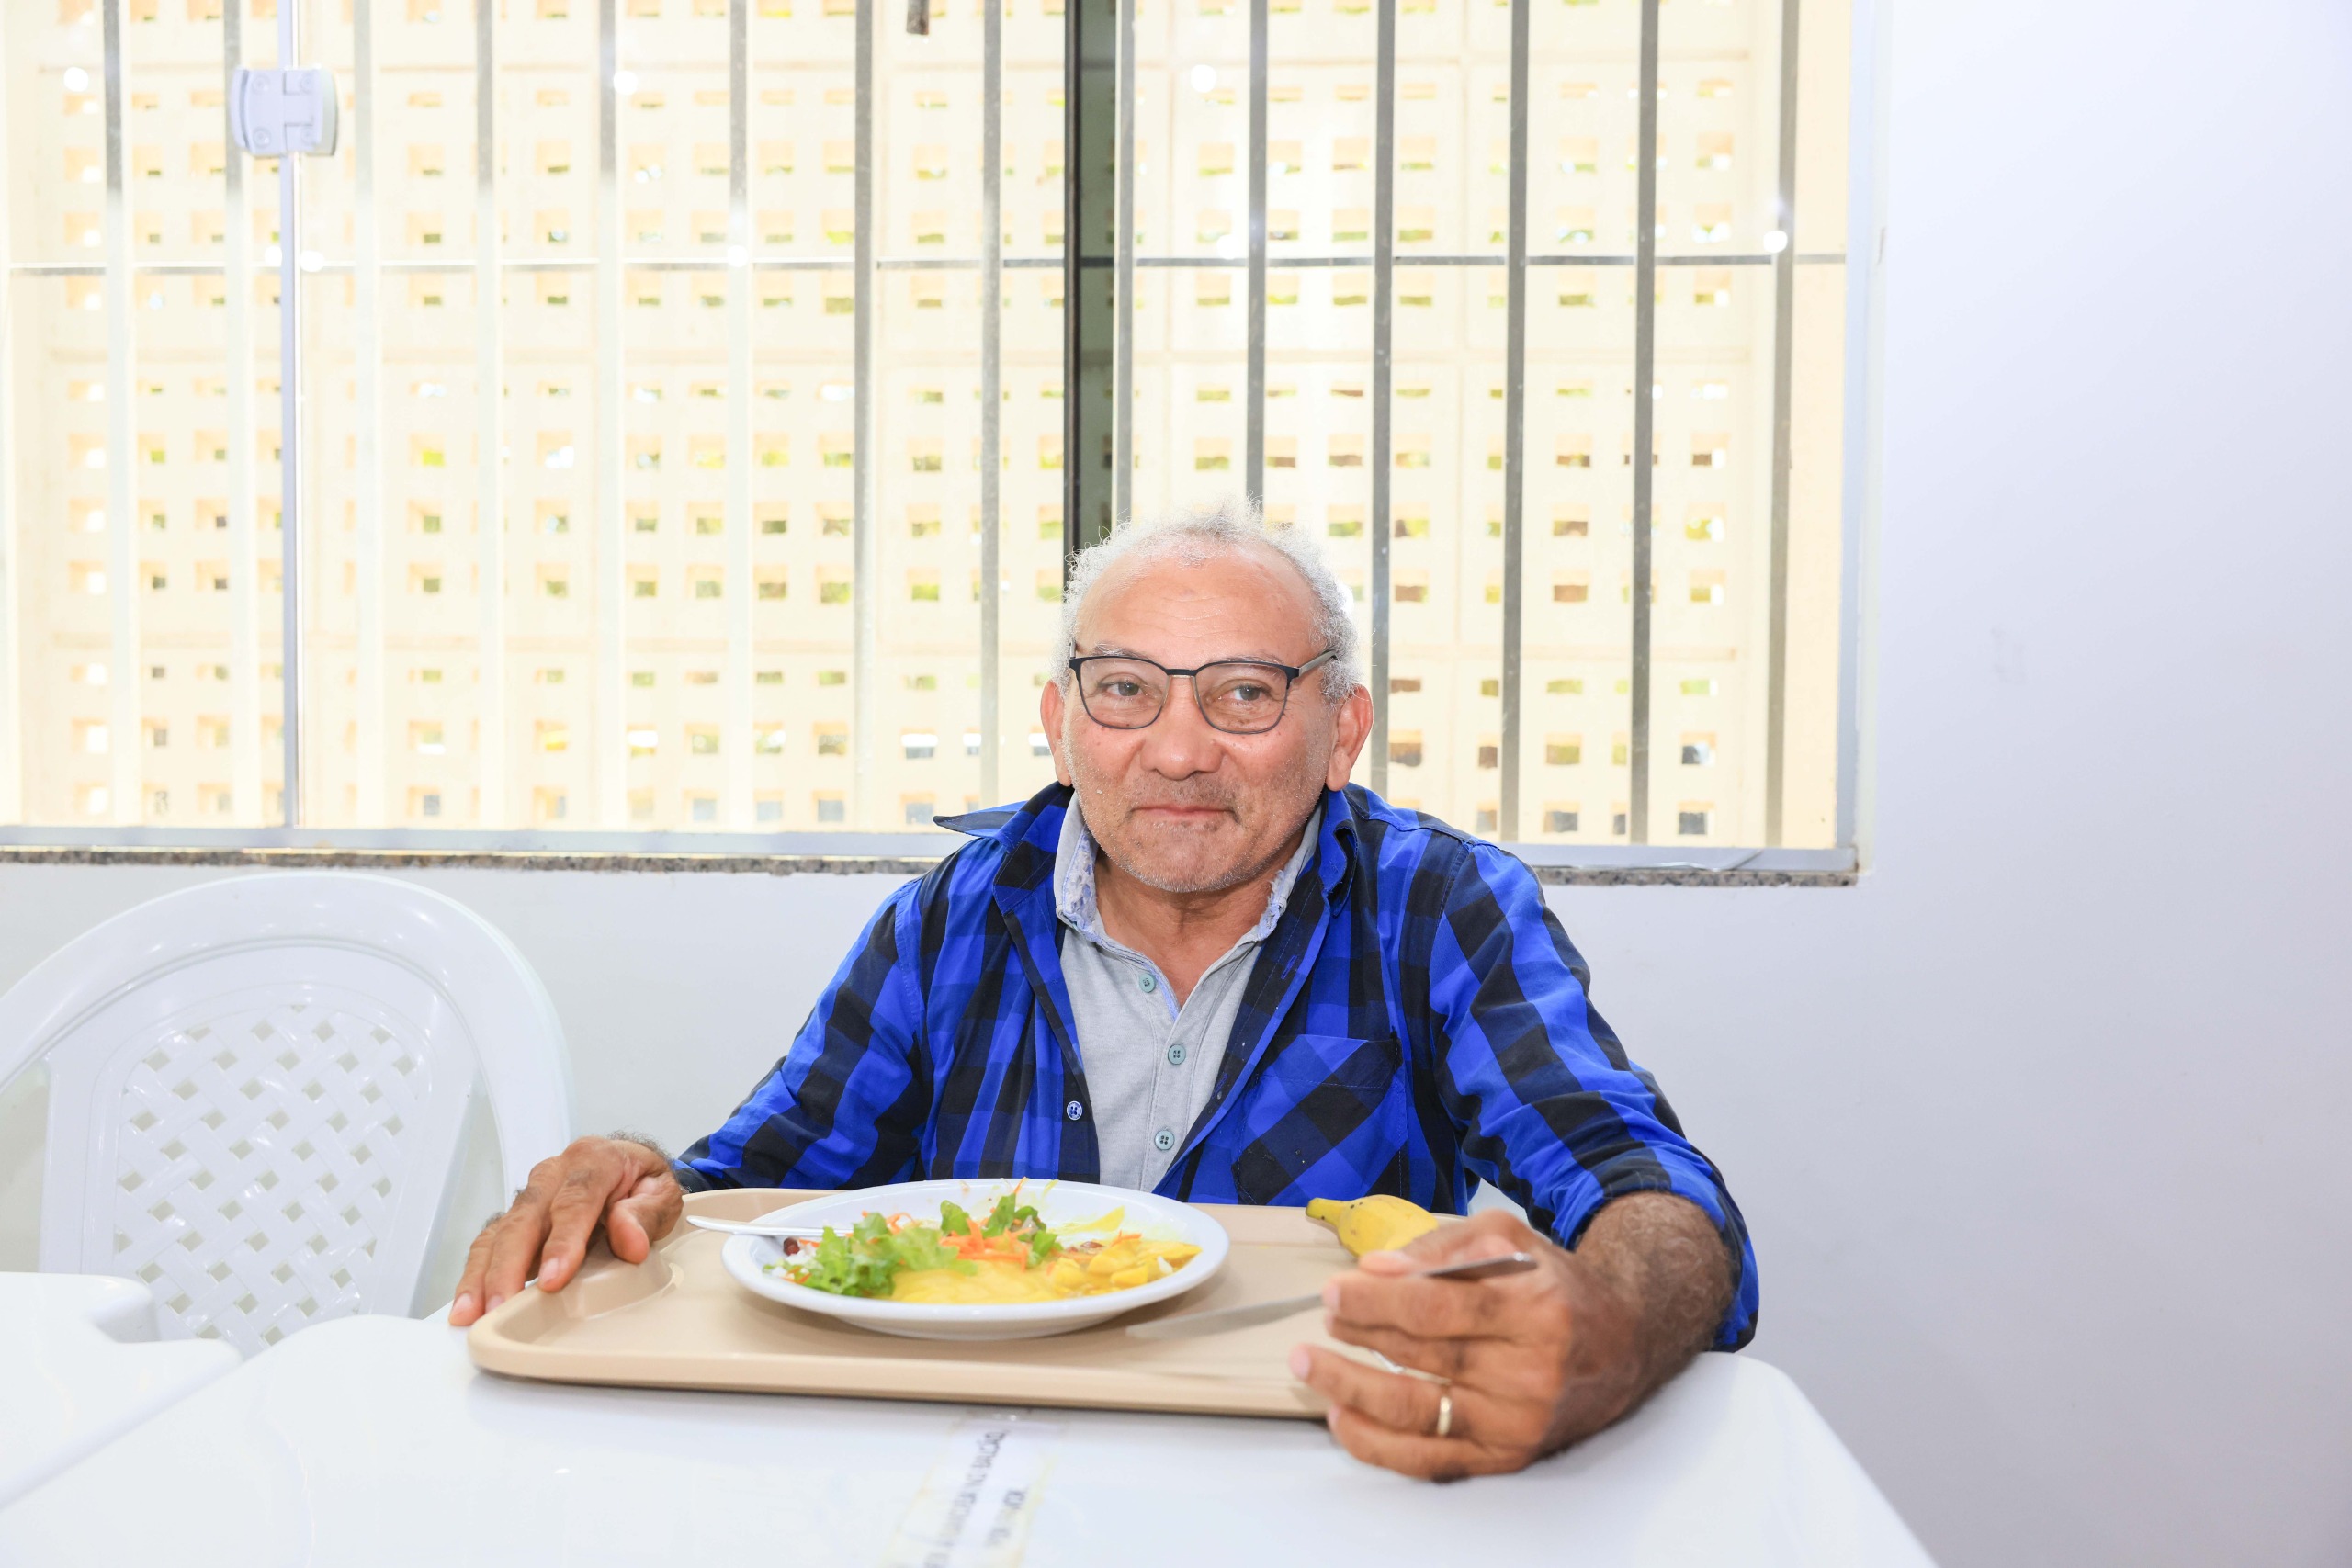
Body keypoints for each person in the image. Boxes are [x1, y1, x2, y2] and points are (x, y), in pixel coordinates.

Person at [449, 500, 1757, 1482]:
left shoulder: (1436, 905)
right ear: (1061, 723)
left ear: (1344, 732)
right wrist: (630, 1182)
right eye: (1125, 691)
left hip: (1311, 1468)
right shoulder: (954, 915)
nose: (1177, 750)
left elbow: (1644, 1186)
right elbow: (756, 1192)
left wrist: (1606, 1327)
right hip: (966, 1472)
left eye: (1245, 693)